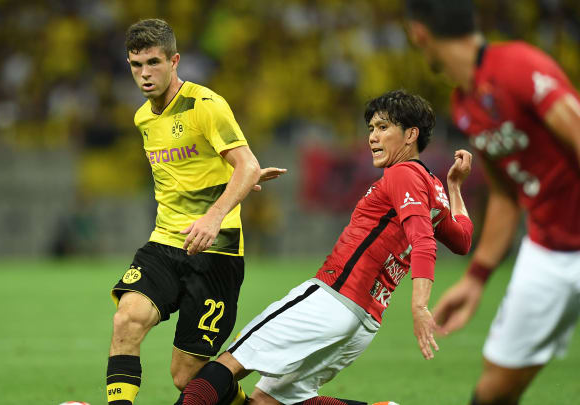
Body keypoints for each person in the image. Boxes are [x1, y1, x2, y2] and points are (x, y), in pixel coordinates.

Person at [177, 90, 475, 405]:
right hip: (364, 322)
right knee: (267, 401)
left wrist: (419, 306)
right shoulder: (434, 187)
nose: (372, 137)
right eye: (371, 129)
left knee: (230, 363)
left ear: (411, 134)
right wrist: (455, 188)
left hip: (332, 299)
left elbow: (423, 239)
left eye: (383, 128)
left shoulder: (404, 174)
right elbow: (463, 239)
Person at [405, 1, 580, 404]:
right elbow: (505, 195)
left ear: (419, 34)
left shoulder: (517, 66)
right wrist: (476, 276)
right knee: (493, 392)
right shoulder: (463, 104)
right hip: (547, 254)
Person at [106, 19, 286, 405]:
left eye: (153, 62)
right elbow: (192, 171)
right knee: (127, 319)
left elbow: (247, 163)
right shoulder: (142, 118)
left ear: (175, 61)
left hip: (216, 252)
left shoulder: (206, 105)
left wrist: (217, 211)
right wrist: (234, 179)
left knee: (185, 376)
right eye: (136, 65)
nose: (144, 73)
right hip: (165, 242)